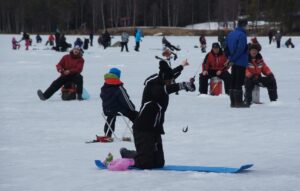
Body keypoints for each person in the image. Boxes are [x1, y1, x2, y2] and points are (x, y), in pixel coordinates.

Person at [120, 59, 195, 169]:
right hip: (142, 128)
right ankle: (126, 153)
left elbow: (171, 75)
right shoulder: (153, 86)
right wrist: (182, 85)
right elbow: (164, 89)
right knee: (145, 163)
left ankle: (142, 154)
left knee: (159, 162)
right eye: (169, 81)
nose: (170, 82)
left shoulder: (164, 80)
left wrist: (182, 67)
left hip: (155, 129)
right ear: (164, 79)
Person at [100, 68, 138, 137]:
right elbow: (126, 101)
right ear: (118, 76)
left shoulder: (104, 87)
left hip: (107, 110)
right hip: (118, 110)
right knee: (135, 115)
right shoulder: (118, 87)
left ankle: (107, 134)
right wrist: (132, 108)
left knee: (111, 116)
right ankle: (140, 132)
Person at [225, 17, 249, 108]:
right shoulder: (242, 35)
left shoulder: (231, 33)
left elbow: (226, 48)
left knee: (233, 80)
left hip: (233, 61)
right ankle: (238, 102)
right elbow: (240, 49)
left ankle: (233, 102)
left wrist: (229, 58)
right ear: (244, 25)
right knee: (239, 81)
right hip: (240, 61)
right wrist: (233, 59)